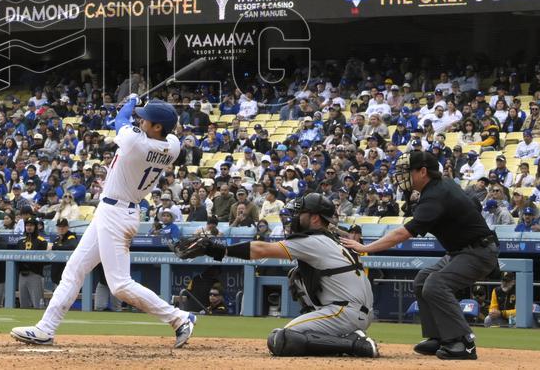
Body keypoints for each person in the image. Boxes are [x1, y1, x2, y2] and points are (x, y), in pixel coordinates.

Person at [12, 97, 196, 347]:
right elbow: (161, 133)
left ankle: (180, 318)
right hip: (115, 211)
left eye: (147, 118)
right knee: (74, 269)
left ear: (158, 127)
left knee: (120, 285)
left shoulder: (135, 141)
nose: (141, 120)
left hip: (117, 214)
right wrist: (143, 110)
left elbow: (121, 119)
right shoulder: (172, 145)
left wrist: (131, 101)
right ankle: (45, 329)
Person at [174, 193, 378, 358]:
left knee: (283, 339)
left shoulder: (314, 240)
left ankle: (357, 345)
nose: (296, 216)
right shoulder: (331, 240)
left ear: (315, 218)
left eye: (302, 213)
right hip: (357, 312)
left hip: (344, 312)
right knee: (297, 274)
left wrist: (215, 249)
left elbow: (262, 249)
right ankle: (349, 336)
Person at [342, 151, 497, 360]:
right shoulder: (438, 187)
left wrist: (366, 247)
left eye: (407, 171)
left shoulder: (435, 194)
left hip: (477, 251)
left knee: (436, 284)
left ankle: (463, 341)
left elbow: (403, 233)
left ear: (423, 171)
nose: (402, 176)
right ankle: (440, 336)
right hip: (462, 251)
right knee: (423, 280)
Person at [16, 217, 50, 308]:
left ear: (35, 227)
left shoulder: (41, 241)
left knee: (38, 304)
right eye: (27, 225)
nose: (29, 227)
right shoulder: (20, 241)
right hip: (22, 275)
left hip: (35, 274)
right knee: (23, 304)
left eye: (31, 225)